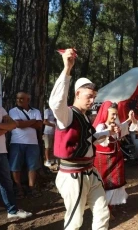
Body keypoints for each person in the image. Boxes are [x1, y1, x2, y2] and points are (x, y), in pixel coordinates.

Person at [49, 48, 112, 229]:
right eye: (89, 96)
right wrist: (67, 70)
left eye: (94, 97)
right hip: (72, 175)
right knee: (75, 220)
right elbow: (55, 103)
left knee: (102, 212)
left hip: (89, 172)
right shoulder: (67, 114)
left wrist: (108, 132)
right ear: (77, 94)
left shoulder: (84, 117)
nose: (92, 100)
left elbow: (88, 140)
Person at [0, 77, 32, 219]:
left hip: (1, 152)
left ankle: (12, 211)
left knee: (6, 184)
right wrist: (4, 128)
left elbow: (13, 124)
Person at [93, 101, 131, 219]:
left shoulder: (116, 125)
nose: (115, 117)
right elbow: (99, 139)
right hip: (103, 160)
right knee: (105, 183)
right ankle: (106, 208)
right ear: (105, 113)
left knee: (115, 181)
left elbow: (123, 127)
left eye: (116, 114)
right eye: (112, 114)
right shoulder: (101, 126)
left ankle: (110, 205)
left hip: (116, 158)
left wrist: (129, 119)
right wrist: (108, 131)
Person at [9, 91, 43, 198]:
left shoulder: (35, 111)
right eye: (18, 98)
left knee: (32, 166)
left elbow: (39, 125)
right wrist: (33, 121)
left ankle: (31, 188)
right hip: (16, 142)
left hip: (33, 143)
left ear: (28, 100)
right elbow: (18, 124)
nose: (19, 100)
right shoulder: (12, 111)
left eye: (22, 98)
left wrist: (25, 123)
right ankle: (18, 188)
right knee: (15, 166)